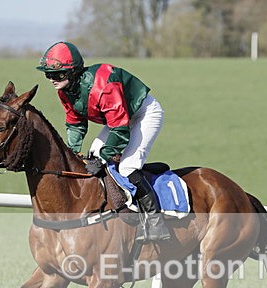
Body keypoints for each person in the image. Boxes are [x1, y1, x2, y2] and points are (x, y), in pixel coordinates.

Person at [36, 41, 170, 242]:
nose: (51, 79)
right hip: (118, 118)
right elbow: (75, 123)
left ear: (72, 72)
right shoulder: (65, 91)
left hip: (143, 114)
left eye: (56, 74)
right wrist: (72, 151)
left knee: (127, 167)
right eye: (48, 74)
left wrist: (106, 155)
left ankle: (156, 224)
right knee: (91, 159)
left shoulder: (103, 86)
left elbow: (120, 128)